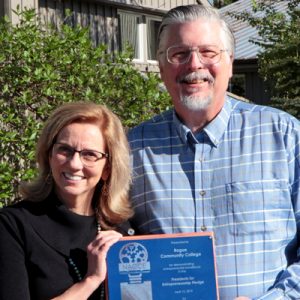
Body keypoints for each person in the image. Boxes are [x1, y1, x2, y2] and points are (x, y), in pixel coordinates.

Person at [128, 4, 300, 300]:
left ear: (230, 63)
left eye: (208, 52)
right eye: (179, 54)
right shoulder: (133, 149)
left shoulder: (284, 136)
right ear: (161, 66)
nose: (194, 64)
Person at [0, 102, 134, 300]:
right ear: (49, 155)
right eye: (65, 150)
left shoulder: (121, 231)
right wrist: (91, 280)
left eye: (90, 154)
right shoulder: (13, 226)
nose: (74, 164)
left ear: (107, 168)